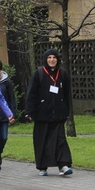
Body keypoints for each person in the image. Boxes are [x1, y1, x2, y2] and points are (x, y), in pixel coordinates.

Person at [26, 48, 74, 176]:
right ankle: (43, 166)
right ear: (45, 60)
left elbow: (66, 94)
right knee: (42, 141)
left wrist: (66, 111)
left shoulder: (62, 73)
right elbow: (31, 94)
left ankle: (63, 165)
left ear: (57, 59)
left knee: (60, 141)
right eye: (49, 58)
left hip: (58, 114)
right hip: (42, 115)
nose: (52, 60)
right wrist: (29, 112)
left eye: (54, 57)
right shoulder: (39, 73)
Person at [0, 59, 16, 167]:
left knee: (4, 137)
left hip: (3, 114)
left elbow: (11, 98)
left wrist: (12, 114)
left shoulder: (6, 82)